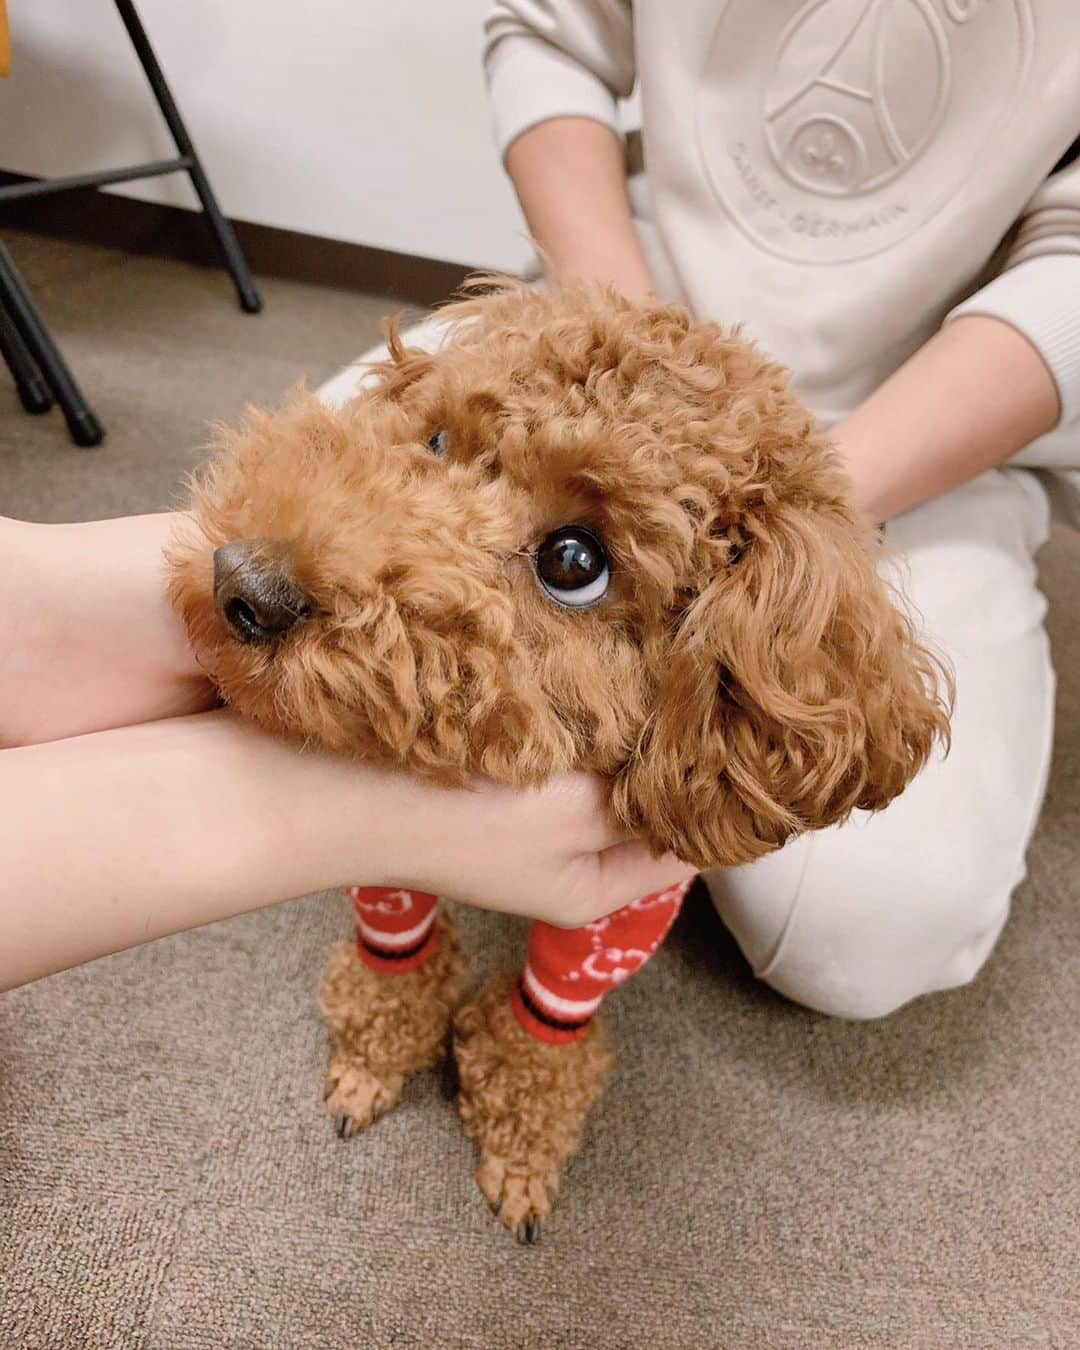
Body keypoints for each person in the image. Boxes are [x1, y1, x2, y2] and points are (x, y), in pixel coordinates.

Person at [354, 0, 1074, 1021]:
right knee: (315, 558)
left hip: (944, 412)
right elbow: (547, 34)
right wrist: (622, 360)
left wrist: (788, 510)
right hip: (615, 315)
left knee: (864, 936)